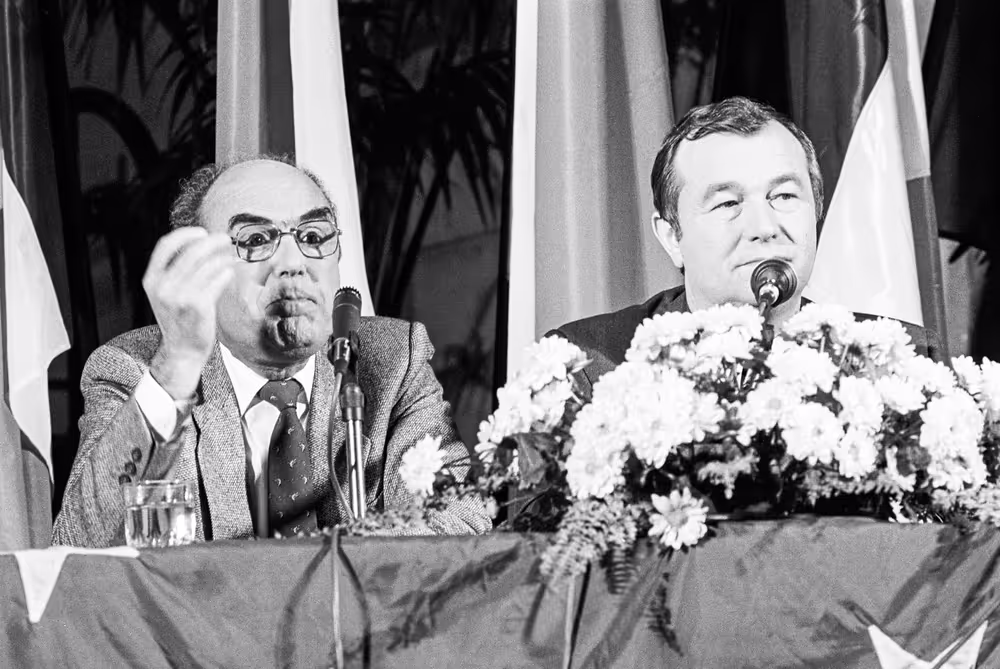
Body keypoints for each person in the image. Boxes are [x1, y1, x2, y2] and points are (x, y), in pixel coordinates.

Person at [53, 156, 490, 547]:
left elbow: (463, 520)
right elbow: (79, 546)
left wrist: (324, 572)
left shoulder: (391, 361)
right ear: (199, 266)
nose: (294, 262)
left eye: (314, 234)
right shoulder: (136, 371)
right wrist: (176, 367)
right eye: (257, 239)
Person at [552, 97, 939, 395]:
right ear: (672, 236)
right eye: (728, 203)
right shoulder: (587, 365)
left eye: (784, 196)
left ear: (817, 210)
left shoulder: (906, 361)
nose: (764, 227)